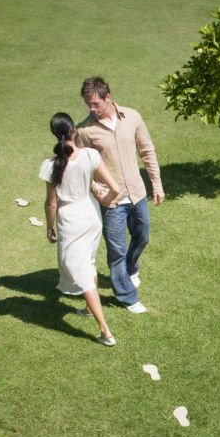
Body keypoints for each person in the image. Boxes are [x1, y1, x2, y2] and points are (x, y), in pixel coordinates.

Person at [76, 76, 165, 314]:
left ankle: (130, 268)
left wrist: (156, 184)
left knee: (142, 236)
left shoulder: (132, 117)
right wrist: (99, 193)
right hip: (112, 202)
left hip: (136, 194)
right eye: (88, 104)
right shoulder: (85, 131)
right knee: (116, 251)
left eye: (95, 104)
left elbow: (147, 150)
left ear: (108, 97)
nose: (92, 109)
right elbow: (83, 169)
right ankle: (127, 297)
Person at [40, 112, 122, 346]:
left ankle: (105, 332)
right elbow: (114, 187)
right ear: (74, 131)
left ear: (55, 135)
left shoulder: (50, 166)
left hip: (70, 221)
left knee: (81, 272)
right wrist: (108, 199)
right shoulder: (90, 155)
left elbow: (51, 203)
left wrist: (49, 226)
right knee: (89, 261)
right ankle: (88, 308)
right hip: (91, 215)